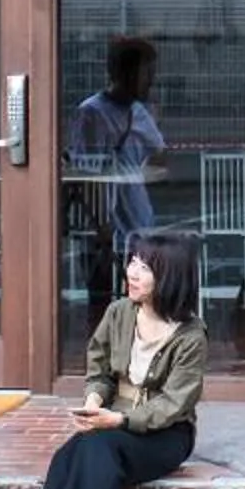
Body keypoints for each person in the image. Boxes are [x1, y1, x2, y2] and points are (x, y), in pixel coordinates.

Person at [29, 228, 207, 489]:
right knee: (71, 451)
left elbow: (173, 403)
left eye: (144, 266)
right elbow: (100, 370)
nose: (132, 272)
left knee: (98, 444)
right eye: (132, 262)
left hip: (167, 435)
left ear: (169, 276)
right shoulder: (119, 313)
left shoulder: (191, 334)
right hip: (114, 423)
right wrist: (94, 401)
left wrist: (119, 421)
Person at [67, 35, 167, 310]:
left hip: (137, 224)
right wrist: (100, 224)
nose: (151, 81)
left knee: (139, 305)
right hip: (104, 230)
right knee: (102, 304)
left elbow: (160, 152)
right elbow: (85, 173)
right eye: (146, 73)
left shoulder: (138, 111)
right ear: (126, 73)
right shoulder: (91, 113)